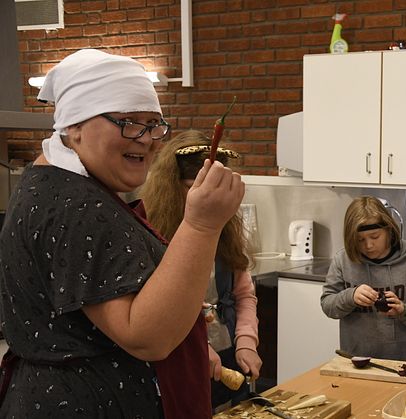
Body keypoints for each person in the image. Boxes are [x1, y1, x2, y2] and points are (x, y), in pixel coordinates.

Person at [0, 49, 244, 418]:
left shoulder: (57, 186)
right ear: (75, 125)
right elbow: (148, 337)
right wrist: (202, 225)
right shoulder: (76, 205)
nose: (146, 138)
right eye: (129, 122)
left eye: (154, 124)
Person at [138, 130, 262, 411]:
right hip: (178, 359)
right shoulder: (148, 235)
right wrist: (193, 347)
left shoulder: (225, 228)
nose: (207, 197)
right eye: (195, 187)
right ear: (172, 188)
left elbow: (243, 296)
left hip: (227, 353)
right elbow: (150, 314)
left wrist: (246, 341)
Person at [320, 196, 406, 362]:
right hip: (355, 361)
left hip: (404, 362)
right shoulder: (343, 261)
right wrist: (350, 296)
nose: (368, 245)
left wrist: (405, 310)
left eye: (375, 236)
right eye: (360, 240)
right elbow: (327, 304)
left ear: (389, 230)